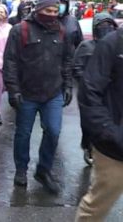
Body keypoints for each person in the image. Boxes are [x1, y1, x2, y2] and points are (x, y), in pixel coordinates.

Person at [3, 0, 74, 194]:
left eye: (55, 11)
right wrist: (13, 90)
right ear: (38, 9)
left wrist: (68, 86)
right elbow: (10, 62)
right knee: (23, 134)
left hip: (53, 92)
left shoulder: (62, 32)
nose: (52, 14)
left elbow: (67, 60)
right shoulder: (20, 30)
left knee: (53, 131)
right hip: (26, 93)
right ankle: (21, 169)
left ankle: (43, 170)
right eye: (48, 10)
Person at [75, 27, 123, 221]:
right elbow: (89, 92)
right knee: (96, 207)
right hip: (114, 148)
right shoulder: (113, 43)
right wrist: (109, 133)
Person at [73, 13, 118, 166]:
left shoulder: (115, 47)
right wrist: (85, 80)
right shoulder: (86, 46)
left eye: (109, 26)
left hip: (110, 95)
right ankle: (88, 146)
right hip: (91, 92)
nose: (106, 30)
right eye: (102, 26)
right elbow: (76, 67)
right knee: (88, 122)